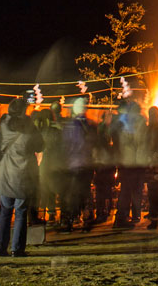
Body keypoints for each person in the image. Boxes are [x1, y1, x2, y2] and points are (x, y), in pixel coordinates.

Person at [0, 97, 43, 257]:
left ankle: (0, 248)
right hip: (23, 174)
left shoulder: (4, 124)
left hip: (6, 172)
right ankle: (17, 249)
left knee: (5, 211)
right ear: (23, 110)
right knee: (21, 212)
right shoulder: (29, 127)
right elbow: (40, 145)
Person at [60, 97, 95, 232]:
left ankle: (69, 221)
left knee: (71, 193)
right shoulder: (90, 126)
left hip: (71, 164)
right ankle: (86, 221)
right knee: (85, 192)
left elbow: (64, 146)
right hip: (86, 164)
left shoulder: (68, 126)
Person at [113, 99, 149, 227]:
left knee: (126, 190)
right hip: (134, 162)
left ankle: (123, 217)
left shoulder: (124, 122)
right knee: (131, 190)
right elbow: (139, 141)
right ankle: (125, 217)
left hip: (127, 161)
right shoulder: (138, 123)